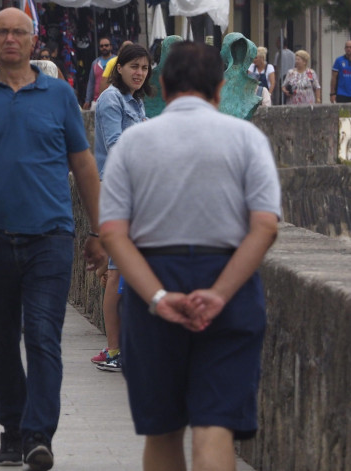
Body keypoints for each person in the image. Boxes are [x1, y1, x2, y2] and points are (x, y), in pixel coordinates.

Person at [99, 41, 281, 471]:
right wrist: (219, 294)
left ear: (161, 84)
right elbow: (265, 227)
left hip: (153, 277)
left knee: (162, 429)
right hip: (229, 279)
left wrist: (158, 297)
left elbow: (112, 232)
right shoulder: (246, 139)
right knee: (215, 423)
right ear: (219, 89)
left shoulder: (134, 144)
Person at [0, 8, 105, 468]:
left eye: (19, 32)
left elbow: (85, 166)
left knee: (43, 336)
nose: (11, 39)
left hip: (49, 236)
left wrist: (99, 230)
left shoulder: (59, 95)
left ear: (34, 41)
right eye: (2, 32)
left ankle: (38, 435)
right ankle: (11, 427)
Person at [91, 43, 152, 372]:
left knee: (123, 270)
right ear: (120, 69)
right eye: (134, 67)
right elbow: (115, 146)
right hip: (119, 191)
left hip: (135, 191)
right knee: (116, 273)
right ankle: (114, 349)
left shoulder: (136, 100)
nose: (139, 73)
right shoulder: (112, 98)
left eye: (144, 67)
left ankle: (124, 345)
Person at [84, 37, 115, 109]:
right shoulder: (95, 63)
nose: (104, 47)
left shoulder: (117, 61)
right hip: (97, 100)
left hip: (114, 99)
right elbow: (91, 83)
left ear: (111, 46)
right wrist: (87, 100)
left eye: (106, 45)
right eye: (101, 46)